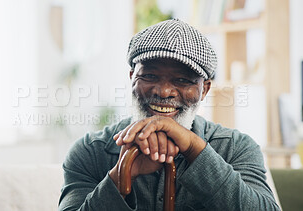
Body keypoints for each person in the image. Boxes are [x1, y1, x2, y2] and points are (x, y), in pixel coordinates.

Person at [58, 19, 280, 210]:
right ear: (131, 78)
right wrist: (121, 174)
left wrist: (195, 149)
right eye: (150, 76)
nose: (163, 91)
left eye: (183, 80)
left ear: (204, 90)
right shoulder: (90, 151)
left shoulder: (235, 148)